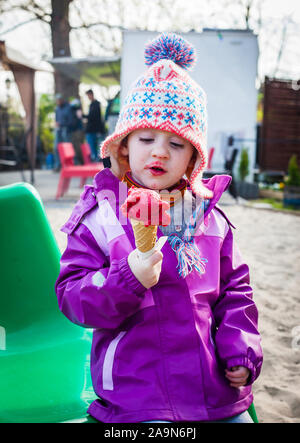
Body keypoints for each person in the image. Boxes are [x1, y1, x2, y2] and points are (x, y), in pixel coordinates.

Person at [55, 33, 263, 423]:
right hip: (134, 396)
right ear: (123, 147)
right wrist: (126, 278)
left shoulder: (210, 219)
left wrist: (240, 349)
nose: (160, 151)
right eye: (146, 137)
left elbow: (237, 292)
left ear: (194, 159)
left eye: (177, 144)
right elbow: (71, 296)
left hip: (211, 392)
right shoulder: (100, 219)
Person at [84, 89, 105, 161]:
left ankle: (96, 159)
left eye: (88, 95)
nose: (88, 97)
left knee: (95, 146)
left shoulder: (96, 104)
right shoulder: (91, 105)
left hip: (94, 129)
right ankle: (95, 158)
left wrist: (83, 116)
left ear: (91, 94)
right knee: (93, 146)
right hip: (92, 129)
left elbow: (94, 117)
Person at [53, 94, 73, 171]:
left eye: (59, 100)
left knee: (67, 149)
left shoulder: (68, 108)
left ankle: (68, 166)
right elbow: (56, 120)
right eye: (57, 100)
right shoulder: (57, 109)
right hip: (58, 130)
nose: (58, 102)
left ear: (62, 100)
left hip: (66, 130)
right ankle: (58, 165)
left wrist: (62, 124)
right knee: (56, 148)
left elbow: (71, 121)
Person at [69, 98, 84, 165]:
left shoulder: (78, 110)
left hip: (78, 131)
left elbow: (78, 119)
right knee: (75, 147)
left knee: (78, 147)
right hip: (74, 131)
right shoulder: (73, 110)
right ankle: (78, 162)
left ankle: (81, 162)